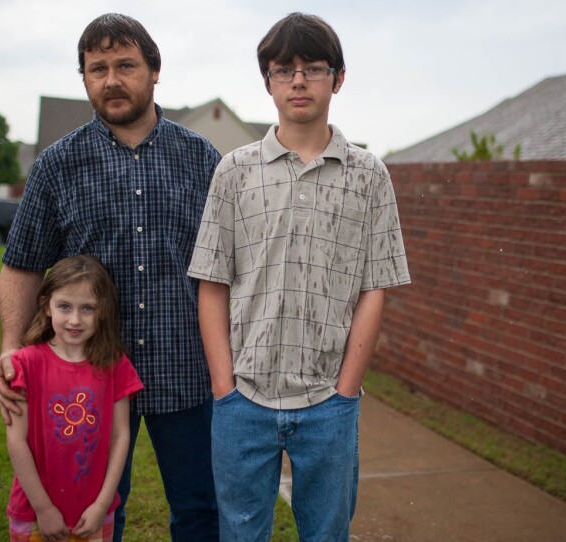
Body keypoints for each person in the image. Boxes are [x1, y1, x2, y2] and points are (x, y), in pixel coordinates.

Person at [0, 13, 221, 542]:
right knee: (89, 510)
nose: (111, 79)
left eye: (125, 65)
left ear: (155, 71)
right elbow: (21, 263)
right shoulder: (57, 165)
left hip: (184, 369)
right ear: (85, 79)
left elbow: (231, 268)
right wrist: (9, 347)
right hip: (82, 378)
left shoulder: (203, 160)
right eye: (97, 69)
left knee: (201, 508)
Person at [188, 12, 411, 541]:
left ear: (337, 78)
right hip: (244, 400)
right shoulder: (235, 171)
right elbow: (212, 283)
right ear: (266, 81)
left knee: (327, 535)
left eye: (313, 68)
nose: (298, 81)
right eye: (283, 69)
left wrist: (346, 390)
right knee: (240, 535)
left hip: (328, 405)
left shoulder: (369, 175)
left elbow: (374, 287)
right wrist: (225, 388)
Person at [6, 255, 144, 542]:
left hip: (91, 514)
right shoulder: (25, 364)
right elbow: (16, 441)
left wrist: (102, 504)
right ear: (46, 305)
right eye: (65, 306)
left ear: (103, 311)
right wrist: (43, 509)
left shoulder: (115, 365)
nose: (75, 320)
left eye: (88, 309)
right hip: (34, 513)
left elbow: (120, 437)